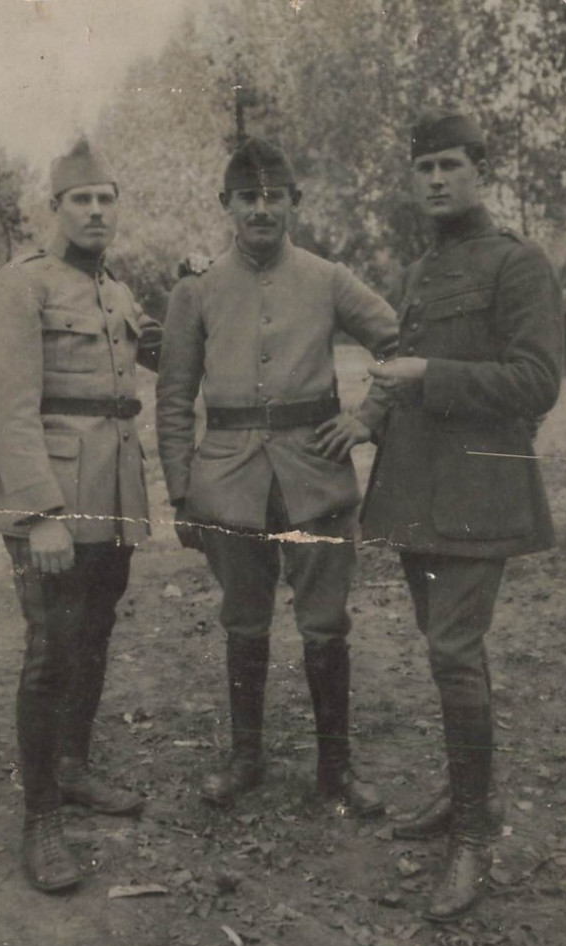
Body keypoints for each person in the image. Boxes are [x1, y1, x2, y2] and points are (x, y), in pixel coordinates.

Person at [317, 111, 563, 921]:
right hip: (418, 492)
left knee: (454, 649)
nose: (434, 180)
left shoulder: (518, 265)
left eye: (449, 165)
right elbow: (400, 372)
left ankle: (471, 842)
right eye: (422, 167)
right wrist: (371, 416)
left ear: (479, 171)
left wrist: (431, 371)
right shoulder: (422, 269)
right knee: (445, 649)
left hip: (480, 493)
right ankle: (474, 800)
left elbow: (534, 382)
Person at [156, 137, 399, 813]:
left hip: (316, 477)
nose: (260, 209)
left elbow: (398, 342)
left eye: (273, 196)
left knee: (326, 625)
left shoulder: (326, 277)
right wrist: (181, 490)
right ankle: (245, 759)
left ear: (293, 201)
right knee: (244, 622)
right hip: (228, 484)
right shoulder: (196, 290)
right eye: (247, 197)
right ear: (226, 204)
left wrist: (369, 418)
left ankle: (336, 768)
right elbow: (174, 396)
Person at [0, 138, 163, 893]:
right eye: (80, 199)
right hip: (55, 497)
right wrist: (42, 513)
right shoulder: (21, 285)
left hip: (115, 497)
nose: (95, 210)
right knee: (51, 648)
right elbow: (9, 408)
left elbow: (149, 357)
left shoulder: (115, 290)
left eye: (106, 198)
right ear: (54, 208)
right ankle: (41, 818)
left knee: (94, 634)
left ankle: (75, 766)